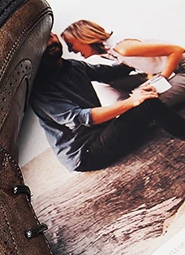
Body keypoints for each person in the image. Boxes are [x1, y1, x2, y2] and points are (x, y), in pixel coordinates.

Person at [31, 33, 185, 172]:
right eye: (40, 41)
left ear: (55, 36)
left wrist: (122, 51)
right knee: (148, 104)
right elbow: (82, 118)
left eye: (49, 36)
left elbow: (111, 72)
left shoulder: (73, 66)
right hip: (86, 153)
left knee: (144, 108)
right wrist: (132, 101)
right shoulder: (40, 89)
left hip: (102, 133)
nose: (48, 43)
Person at [62, 19, 185, 107]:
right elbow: (153, 63)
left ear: (83, 37)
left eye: (70, 45)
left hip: (182, 68)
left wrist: (161, 80)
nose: (70, 50)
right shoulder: (109, 52)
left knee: (148, 107)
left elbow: (177, 50)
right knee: (109, 86)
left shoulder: (122, 48)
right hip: (173, 71)